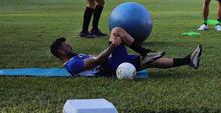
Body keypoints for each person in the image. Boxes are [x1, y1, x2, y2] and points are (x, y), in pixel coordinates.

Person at [50, 27, 202, 77]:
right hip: (110, 68)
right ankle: (146, 52)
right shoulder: (72, 65)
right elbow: (97, 61)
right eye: (66, 45)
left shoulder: (73, 58)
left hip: (111, 63)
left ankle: (188, 61)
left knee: (150, 62)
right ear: (60, 51)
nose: (69, 45)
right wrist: (113, 46)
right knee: (116, 31)